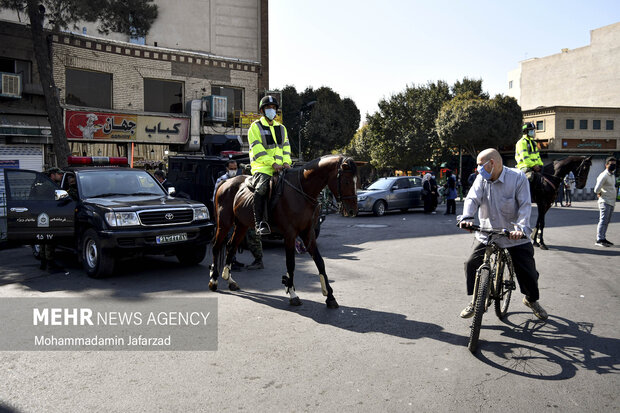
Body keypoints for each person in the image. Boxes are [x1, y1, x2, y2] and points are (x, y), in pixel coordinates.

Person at [458, 148, 548, 320]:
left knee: (528, 270)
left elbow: (524, 206)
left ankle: (531, 299)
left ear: (492, 163)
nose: (478, 169)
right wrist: (467, 218)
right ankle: (476, 301)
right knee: (471, 263)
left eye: (480, 165)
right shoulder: (481, 179)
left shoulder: (518, 178)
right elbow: (472, 199)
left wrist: (520, 229)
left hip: (513, 235)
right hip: (488, 232)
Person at [248, 95, 292, 235]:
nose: (271, 110)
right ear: (262, 110)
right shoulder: (255, 127)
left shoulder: (282, 128)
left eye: (273, 108)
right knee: (261, 189)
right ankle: (259, 222)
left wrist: (286, 162)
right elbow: (257, 149)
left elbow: (286, 148)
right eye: (268, 108)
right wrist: (272, 163)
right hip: (263, 168)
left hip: (282, 168)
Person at [212, 160, 264, 270]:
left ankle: (258, 259)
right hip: (229, 213)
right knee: (229, 236)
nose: (233, 170)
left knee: (252, 236)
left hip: (242, 212)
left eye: (235, 168)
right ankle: (231, 260)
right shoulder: (221, 181)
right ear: (227, 169)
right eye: (231, 168)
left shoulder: (242, 180)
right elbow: (216, 200)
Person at [41, 167, 69, 274]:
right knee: (49, 240)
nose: (61, 176)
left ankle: (43, 263)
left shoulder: (41, 185)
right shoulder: (51, 186)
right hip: (49, 214)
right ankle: (50, 265)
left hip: (41, 214)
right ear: (52, 175)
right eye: (59, 174)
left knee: (43, 239)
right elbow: (63, 198)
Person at [594, 156, 616, 247]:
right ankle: (599, 239)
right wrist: (599, 193)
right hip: (605, 201)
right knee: (603, 220)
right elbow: (596, 189)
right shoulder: (604, 175)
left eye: (614, 164)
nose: (613, 166)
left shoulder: (612, 175)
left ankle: (603, 238)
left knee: (607, 221)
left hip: (611, 201)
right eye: (611, 164)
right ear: (606, 165)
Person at [515, 122, 544, 190]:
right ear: (526, 131)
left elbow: (538, 156)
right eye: (531, 130)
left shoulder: (534, 143)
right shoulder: (521, 142)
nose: (533, 132)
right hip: (524, 167)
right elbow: (525, 158)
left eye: (533, 130)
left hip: (535, 167)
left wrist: (540, 165)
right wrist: (533, 166)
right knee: (530, 177)